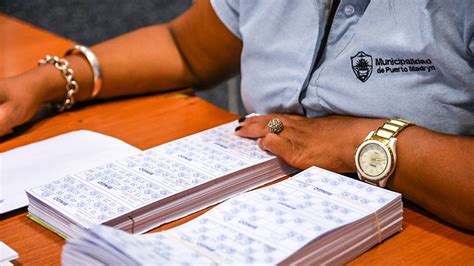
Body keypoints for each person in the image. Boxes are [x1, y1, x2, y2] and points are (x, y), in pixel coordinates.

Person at [1, 0, 472, 231]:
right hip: (262, 208)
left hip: (424, 225)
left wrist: (362, 142)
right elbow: (186, 49)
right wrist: (48, 82)